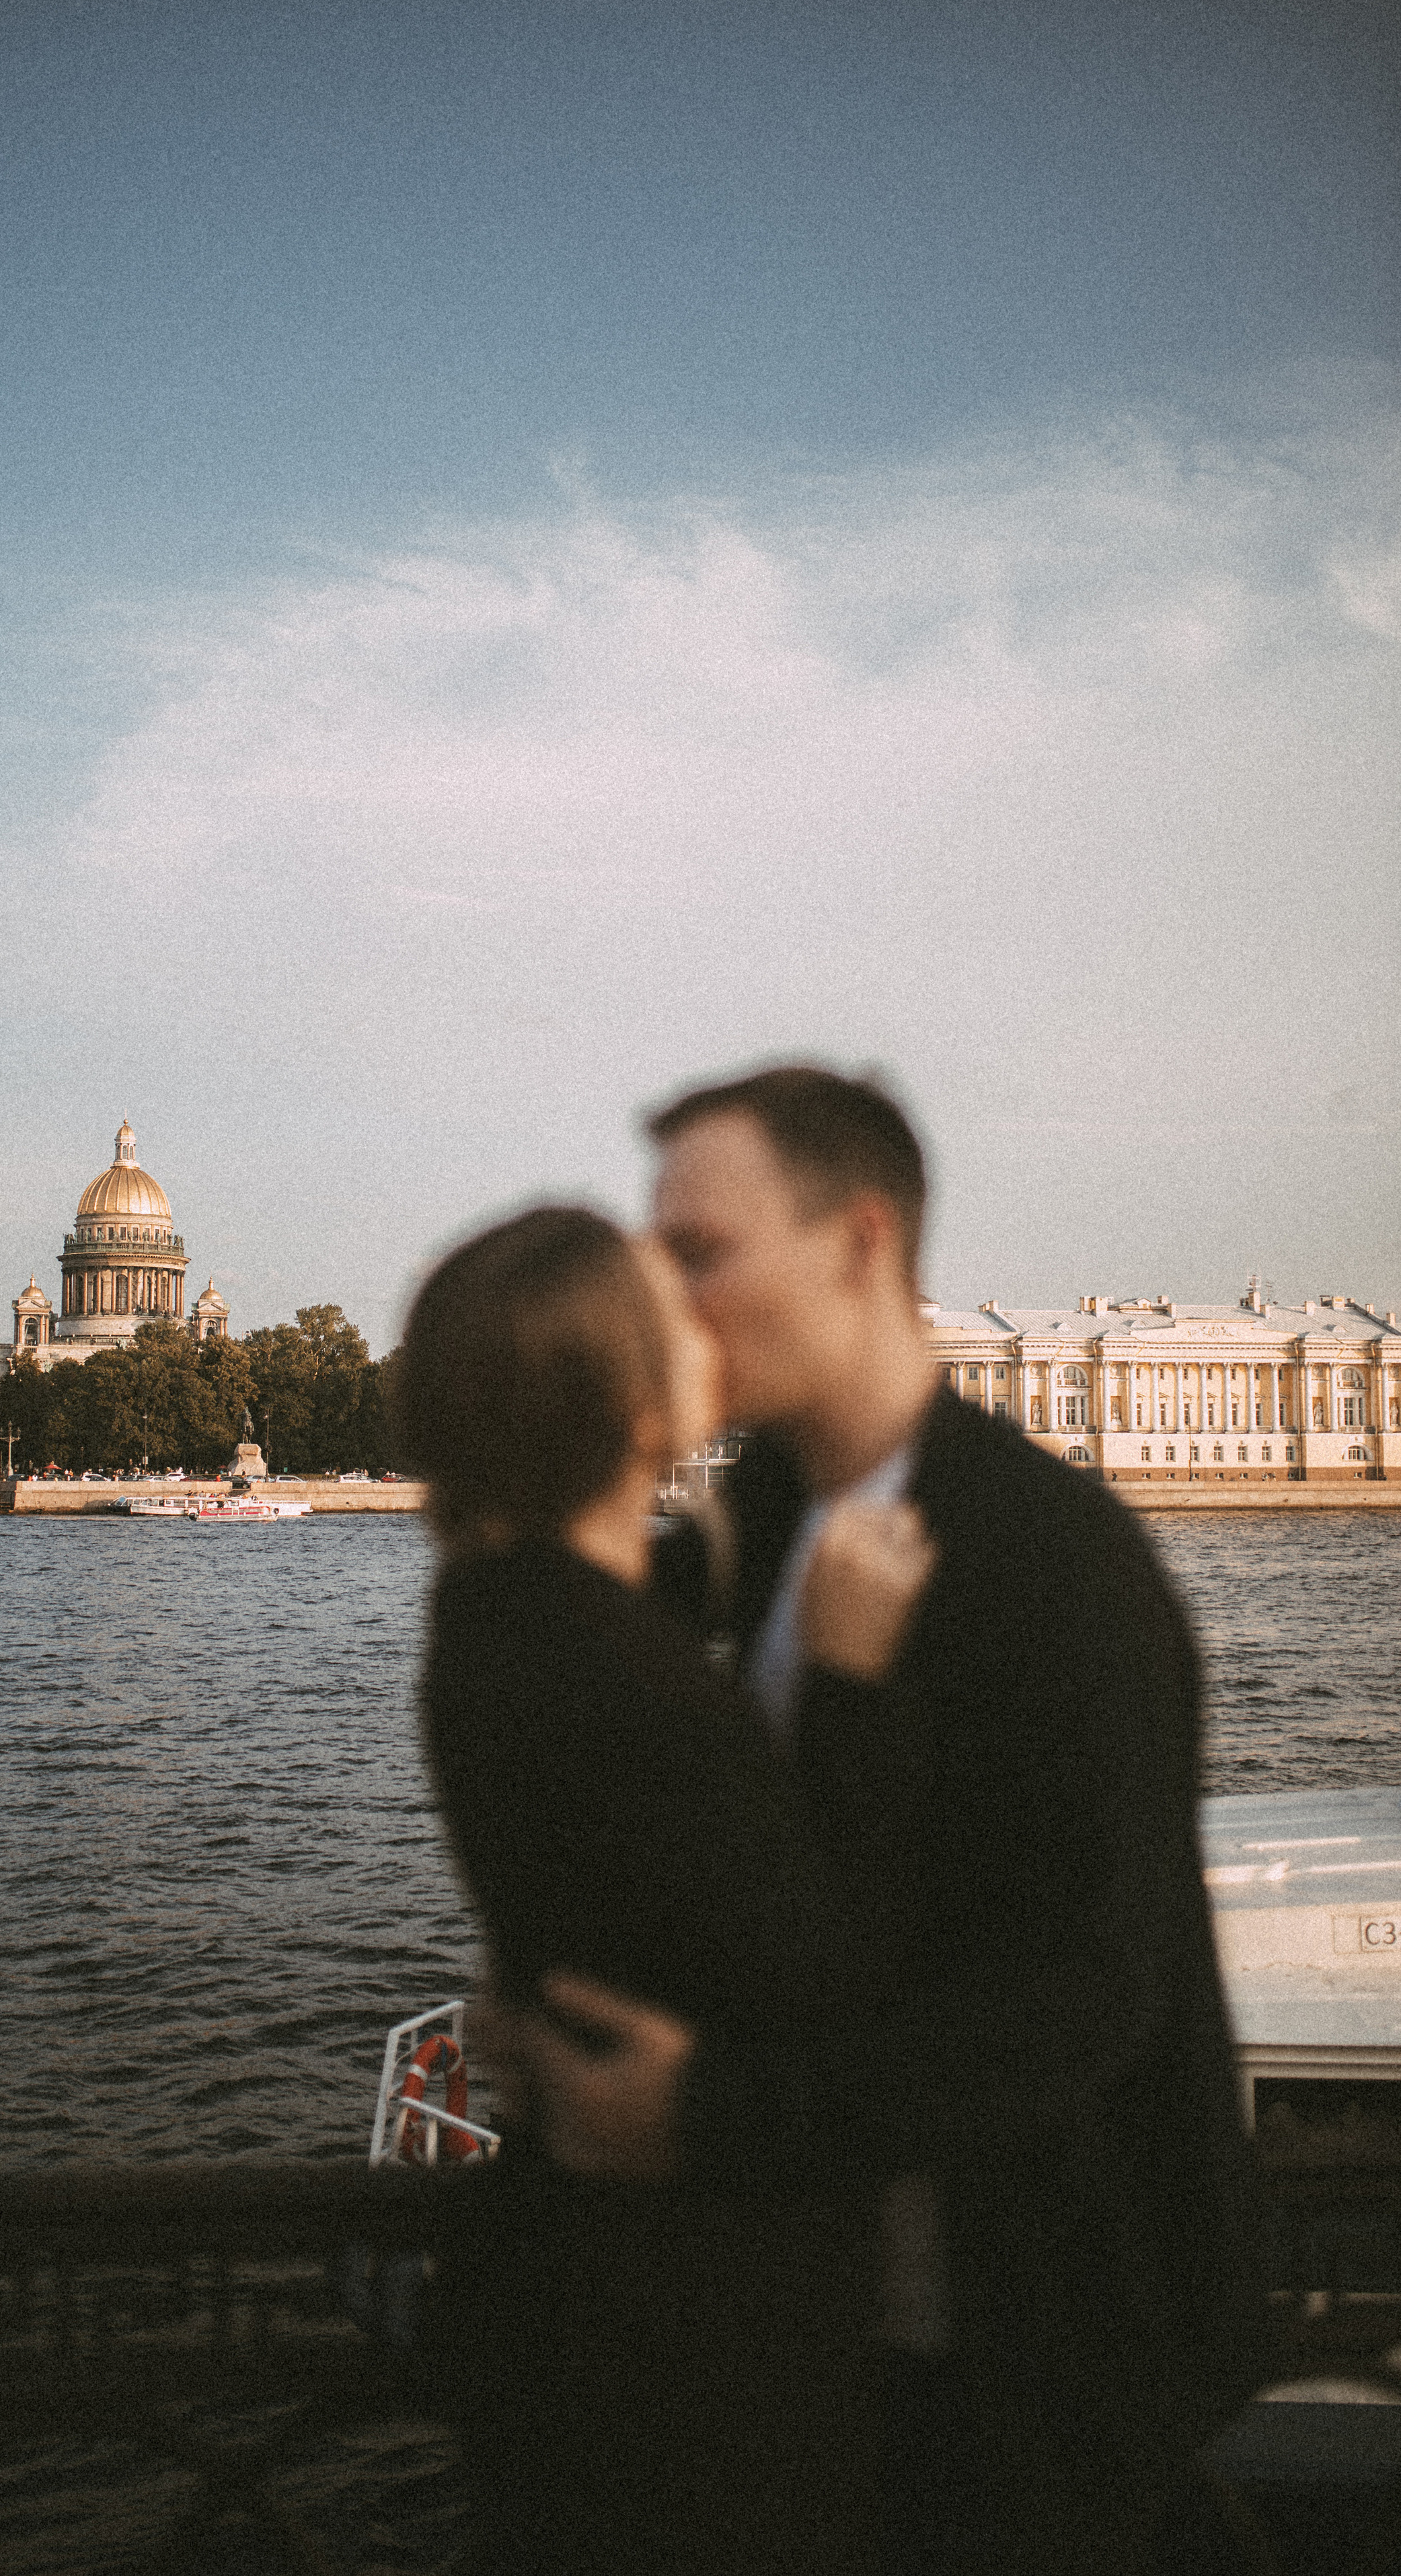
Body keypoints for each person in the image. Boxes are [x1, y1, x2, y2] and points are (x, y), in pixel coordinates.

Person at [482, 1066, 1268, 2576]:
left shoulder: (1053, 1568)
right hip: (825, 2347)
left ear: (853, 1245)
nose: (666, 1298)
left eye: (698, 1251)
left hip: (1019, 2365)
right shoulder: (765, 1519)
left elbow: (1075, 2003)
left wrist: (702, 2114)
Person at [400, 1204, 921, 2576]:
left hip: (571, 2291)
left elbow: (636, 1585)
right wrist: (849, 1680)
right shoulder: (618, 1685)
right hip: (689, 2329)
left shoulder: (494, 1608)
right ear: (630, 1407)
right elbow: (838, 1961)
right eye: (666, 1311)